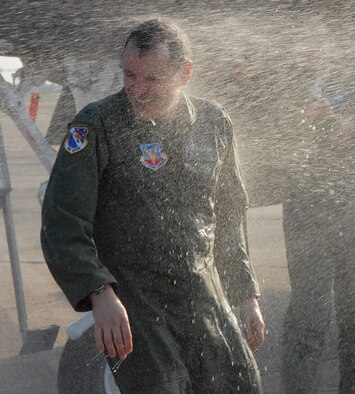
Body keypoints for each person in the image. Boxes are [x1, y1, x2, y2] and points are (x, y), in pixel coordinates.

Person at [41, 18, 265, 393]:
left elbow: (228, 218)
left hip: (201, 294)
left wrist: (246, 294)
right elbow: (62, 222)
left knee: (240, 383)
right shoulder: (97, 126)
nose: (138, 90)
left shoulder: (213, 124)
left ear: (185, 73)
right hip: (135, 300)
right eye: (130, 75)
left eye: (153, 80)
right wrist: (99, 292)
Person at [280, 68, 355, 393]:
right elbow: (268, 129)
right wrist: (302, 118)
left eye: (321, 41)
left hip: (352, 208)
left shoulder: (351, 80)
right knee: (309, 315)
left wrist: (354, 123)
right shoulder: (284, 83)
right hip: (306, 210)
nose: (315, 52)